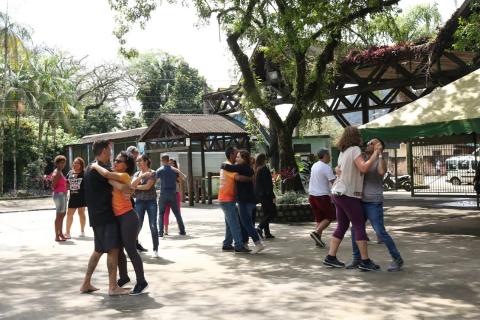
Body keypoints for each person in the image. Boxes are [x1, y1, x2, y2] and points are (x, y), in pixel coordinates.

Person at [90, 151, 151, 295]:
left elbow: (106, 175)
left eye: (119, 161)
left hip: (127, 217)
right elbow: (109, 178)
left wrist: (94, 165)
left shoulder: (124, 175)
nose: (115, 162)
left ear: (126, 166)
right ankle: (123, 277)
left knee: (130, 250)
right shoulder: (116, 174)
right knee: (118, 249)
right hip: (118, 217)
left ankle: (142, 281)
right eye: (115, 160)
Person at [323, 126, 381, 272]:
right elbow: (363, 168)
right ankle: (365, 261)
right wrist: (376, 153)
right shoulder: (355, 149)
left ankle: (330, 257)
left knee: (342, 226)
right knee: (359, 225)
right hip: (348, 194)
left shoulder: (343, 151)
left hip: (338, 193)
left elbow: (338, 169)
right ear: (356, 136)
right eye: (359, 135)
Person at [346, 138, 404, 272]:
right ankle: (357, 258)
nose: (368, 144)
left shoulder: (379, 159)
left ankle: (397, 258)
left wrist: (379, 154)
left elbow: (381, 172)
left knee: (379, 231)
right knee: (355, 229)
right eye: (368, 142)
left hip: (373, 201)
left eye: (372, 143)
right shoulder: (362, 157)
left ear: (379, 147)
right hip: (359, 199)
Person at [80, 140, 130, 296]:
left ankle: (86, 283)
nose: (111, 155)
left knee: (98, 250)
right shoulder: (98, 170)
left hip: (95, 216)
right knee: (113, 250)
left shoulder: (89, 168)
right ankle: (112, 287)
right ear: (102, 152)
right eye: (109, 152)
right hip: (105, 215)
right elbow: (118, 184)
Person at [222, 150, 265, 254]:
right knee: (245, 223)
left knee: (247, 224)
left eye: (238, 157)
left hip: (245, 201)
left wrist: (222, 164)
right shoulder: (248, 168)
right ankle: (245, 243)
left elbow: (229, 167)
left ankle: (258, 243)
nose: (236, 159)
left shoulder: (242, 166)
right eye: (236, 157)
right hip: (247, 200)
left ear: (244, 159)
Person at [219, 147, 253, 253]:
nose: (238, 155)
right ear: (231, 155)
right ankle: (238, 245)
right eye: (236, 153)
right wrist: (252, 179)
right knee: (235, 223)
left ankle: (227, 244)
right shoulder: (228, 166)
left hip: (226, 198)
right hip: (227, 198)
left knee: (230, 223)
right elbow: (238, 178)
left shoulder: (228, 165)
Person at [308, 149, 336, 248]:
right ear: (325, 155)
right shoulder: (326, 168)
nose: (330, 157)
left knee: (319, 219)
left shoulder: (315, 165)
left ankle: (318, 240)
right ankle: (316, 233)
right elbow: (334, 182)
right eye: (329, 155)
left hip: (312, 196)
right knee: (330, 216)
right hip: (322, 196)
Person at [133, 154, 159, 258]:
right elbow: (132, 184)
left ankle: (155, 248)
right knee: (137, 225)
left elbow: (148, 186)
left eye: (140, 161)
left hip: (151, 202)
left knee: (153, 225)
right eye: (137, 161)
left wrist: (136, 186)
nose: (138, 163)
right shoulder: (137, 173)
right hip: (139, 201)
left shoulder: (153, 172)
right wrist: (142, 177)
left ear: (146, 161)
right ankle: (134, 246)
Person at [157, 154, 187, 236]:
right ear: (168, 160)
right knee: (177, 213)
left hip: (163, 194)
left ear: (162, 160)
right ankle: (182, 231)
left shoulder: (160, 170)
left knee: (161, 214)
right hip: (173, 194)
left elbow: (154, 180)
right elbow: (183, 177)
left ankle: (160, 232)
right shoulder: (174, 169)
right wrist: (182, 175)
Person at [126, 145, 147, 252]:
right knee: (131, 222)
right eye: (135, 154)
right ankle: (131, 245)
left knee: (135, 221)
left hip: (131, 196)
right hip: (125, 197)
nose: (136, 157)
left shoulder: (134, 164)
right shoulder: (126, 164)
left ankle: (135, 243)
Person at [254, 153, 277, 239]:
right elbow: (268, 184)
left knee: (266, 213)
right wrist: (272, 195)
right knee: (272, 212)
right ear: (264, 160)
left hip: (260, 195)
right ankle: (260, 227)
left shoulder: (257, 169)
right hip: (266, 195)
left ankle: (267, 233)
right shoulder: (264, 169)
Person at [65, 157, 87, 239]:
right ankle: (67, 232)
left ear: (81, 165)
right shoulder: (70, 172)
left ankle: (82, 231)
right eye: (74, 163)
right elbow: (66, 184)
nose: (75, 164)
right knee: (69, 214)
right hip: (73, 196)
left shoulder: (84, 173)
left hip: (81, 196)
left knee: (81, 214)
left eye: (77, 163)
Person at [51, 155, 68, 242]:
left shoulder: (60, 172)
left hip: (63, 195)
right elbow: (53, 185)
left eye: (64, 162)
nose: (63, 164)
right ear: (57, 163)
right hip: (59, 195)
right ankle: (57, 236)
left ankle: (60, 233)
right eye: (61, 163)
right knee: (59, 216)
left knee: (62, 215)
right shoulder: (57, 172)